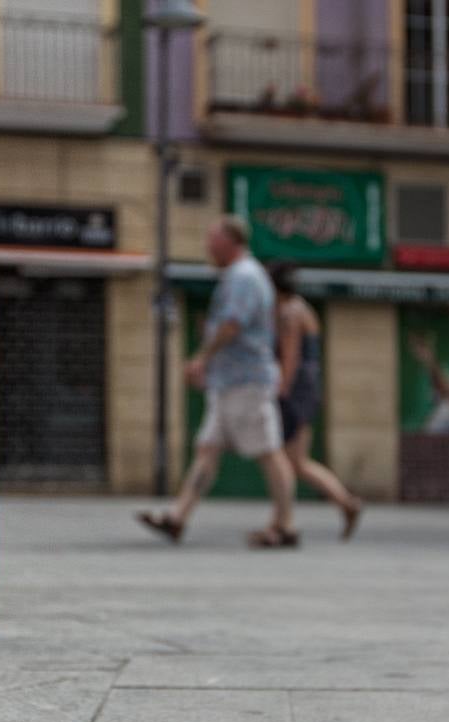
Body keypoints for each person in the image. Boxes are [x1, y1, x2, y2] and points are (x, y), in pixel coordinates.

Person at [138, 217, 299, 548]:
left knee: (269, 452)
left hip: (247, 382)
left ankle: (284, 526)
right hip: (230, 382)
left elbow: (231, 325)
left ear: (231, 242)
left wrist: (201, 359)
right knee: (207, 449)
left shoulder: (243, 276)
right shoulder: (240, 275)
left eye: (212, 239)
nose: (207, 246)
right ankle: (177, 519)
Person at [268, 262, 363, 540]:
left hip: (296, 393)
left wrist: (280, 393)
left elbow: (290, 358)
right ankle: (346, 504)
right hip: (305, 391)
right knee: (296, 461)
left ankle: (282, 521)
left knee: (284, 461)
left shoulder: (289, 313)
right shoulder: (300, 308)